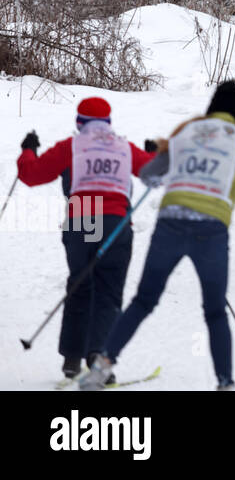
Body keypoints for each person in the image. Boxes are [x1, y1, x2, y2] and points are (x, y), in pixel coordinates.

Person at [79, 82, 235, 390]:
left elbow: (149, 175)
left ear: (211, 107)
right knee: (214, 310)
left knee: (144, 300)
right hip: (211, 231)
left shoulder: (186, 134)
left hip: (170, 225)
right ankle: (225, 383)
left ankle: (100, 368)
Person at [17, 98, 155, 380]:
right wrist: (156, 154)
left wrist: (28, 149)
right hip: (114, 221)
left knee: (80, 283)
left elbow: (30, 175)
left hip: (82, 217)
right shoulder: (123, 147)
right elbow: (156, 173)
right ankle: (98, 358)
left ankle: (71, 358)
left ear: (79, 123)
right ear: (109, 122)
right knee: (108, 290)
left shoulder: (72, 146)